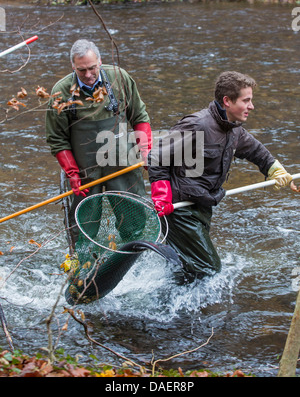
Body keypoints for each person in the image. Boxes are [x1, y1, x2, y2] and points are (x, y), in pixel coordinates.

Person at [148, 71, 299, 282]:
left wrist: (275, 169)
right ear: (227, 101)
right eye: (246, 100)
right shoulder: (197, 125)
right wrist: (161, 194)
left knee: (188, 267)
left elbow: (255, 150)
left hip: (203, 204)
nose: (251, 106)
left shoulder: (233, 128)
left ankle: (168, 306)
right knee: (210, 269)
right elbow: (156, 156)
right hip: (179, 209)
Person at [46, 39, 152, 249]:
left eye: (92, 68)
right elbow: (57, 139)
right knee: (84, 225)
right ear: (73, 66)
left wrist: (144, 149)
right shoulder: (61, 92)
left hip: (123, 163)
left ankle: (134, 253)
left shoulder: (119, 78)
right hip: (85, 171)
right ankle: (84, 263)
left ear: (100, 61)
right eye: (81, 70)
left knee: (133, 219)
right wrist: (72, 173)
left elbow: (139, 116)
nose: (87, 74)